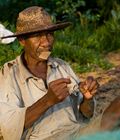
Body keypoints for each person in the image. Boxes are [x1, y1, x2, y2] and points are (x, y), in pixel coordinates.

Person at [0, 6, 99, 140]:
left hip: (78, 133)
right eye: (37, 35)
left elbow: (87, 113)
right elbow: (9, 130)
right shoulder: (9, 74)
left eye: (50, 34)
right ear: (22, 40)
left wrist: (88, 98)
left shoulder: (61, 66)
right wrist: (47, 100)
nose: (46, 42)